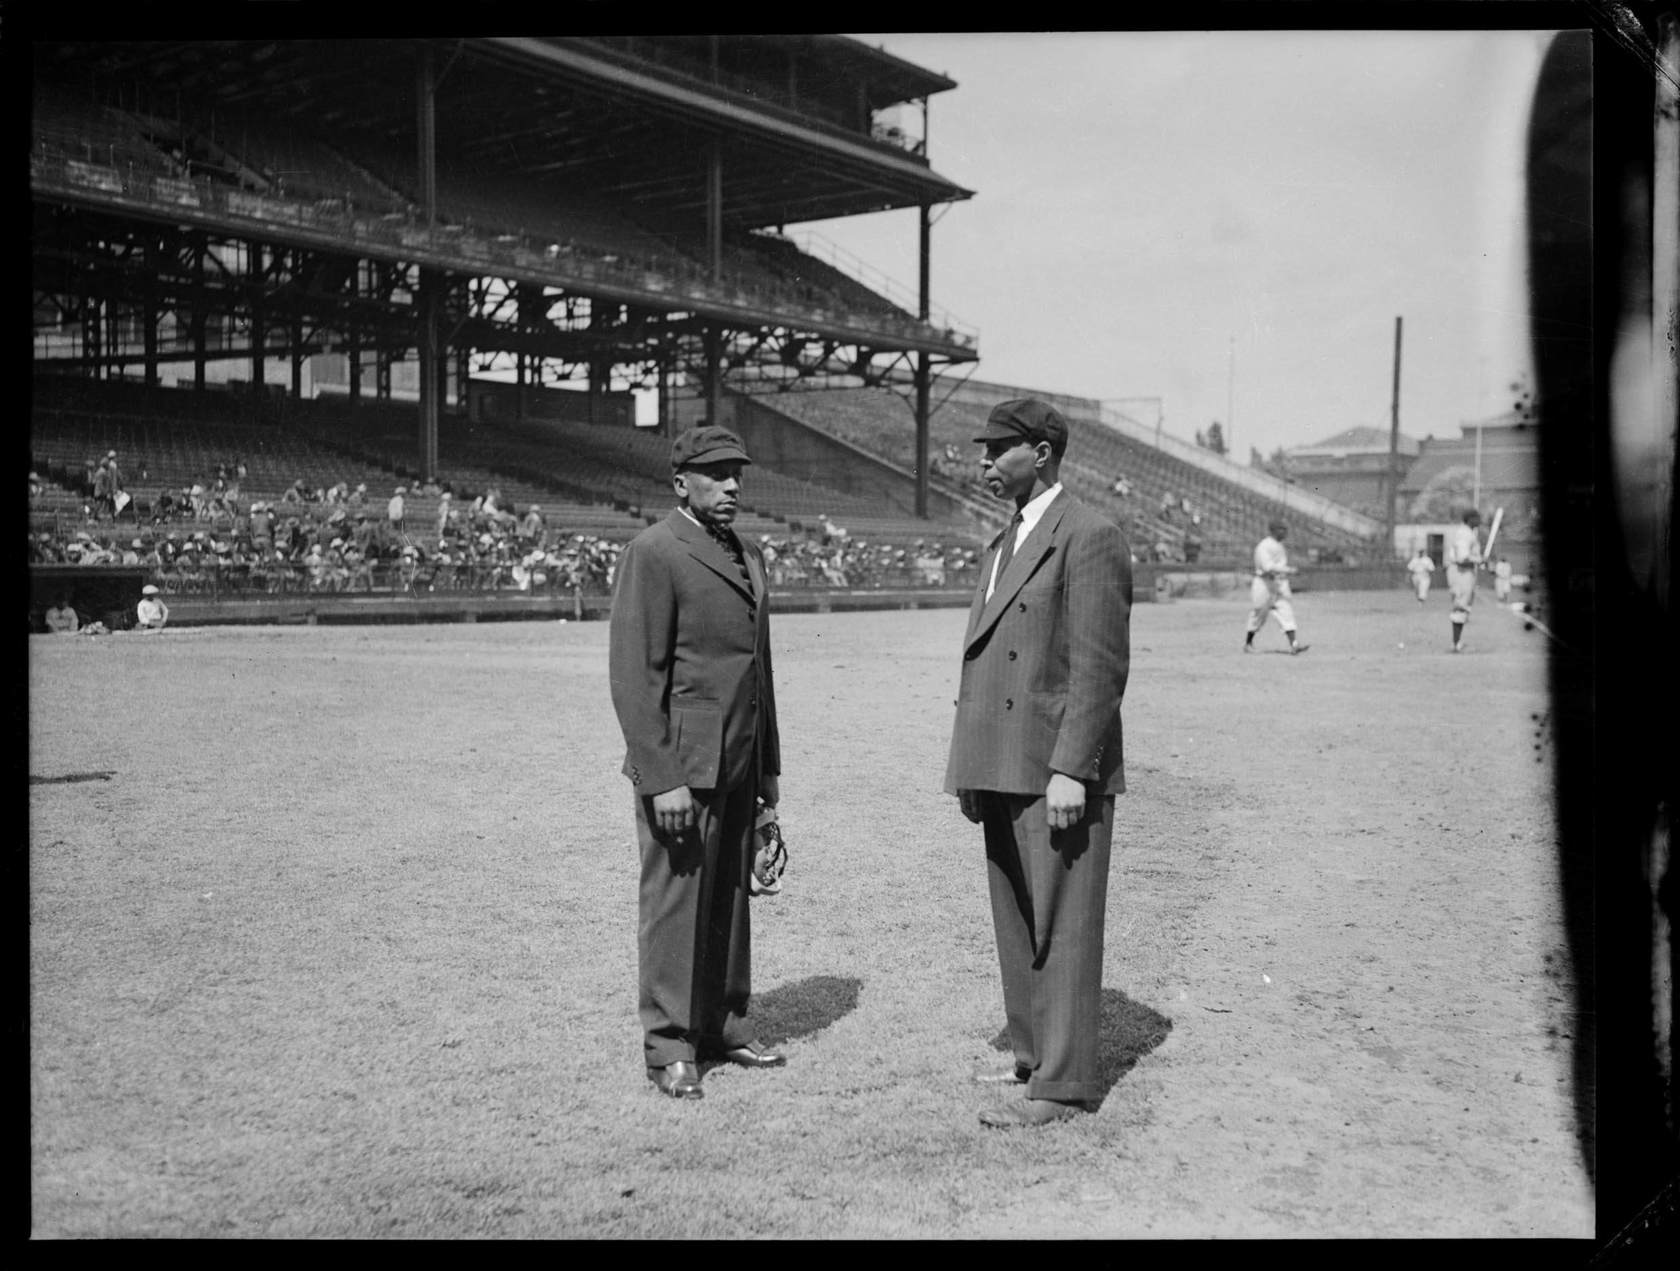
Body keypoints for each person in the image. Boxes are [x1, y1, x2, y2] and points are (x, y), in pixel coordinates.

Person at [945, 398, 1132, 1129]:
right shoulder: (1002, 543)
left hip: (1053, 767)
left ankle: (1061, 1083)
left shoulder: (1090, 533)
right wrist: (970, 765)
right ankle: (1031, 1057)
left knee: (1064, 923)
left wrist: (1072, 769)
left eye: (997, 450)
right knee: (1018, 920)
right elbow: (982, 661)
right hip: (999, 762)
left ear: (1043, 451)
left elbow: (1100, 665)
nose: (984, 463)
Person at [608, 423, 785, 1101]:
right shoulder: (653, 551)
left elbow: (758, 670)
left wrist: (768, 773)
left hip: (740, 760)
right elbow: (634, 676)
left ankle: (722, 1026)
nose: (732, 483)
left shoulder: (747, 552)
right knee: (675, 903)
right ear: (681, 482)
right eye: (715, 472)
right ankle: (670, 1044)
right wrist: (662, 777)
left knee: (730, 903)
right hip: (684, 766)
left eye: (737, 471)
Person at [1243, 520, 1309, 654]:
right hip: (1263, 582)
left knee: (1286, 610)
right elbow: (1267, 567)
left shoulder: (1279, 546)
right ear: (1273, 530)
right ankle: (1248, 643)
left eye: (1285, 529)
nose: (1285, 532)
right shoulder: (1264, 545)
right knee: (1259, 613)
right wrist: (1289, 570)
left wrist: (1285, 572)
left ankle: (1294, 644)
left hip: (1277, 583)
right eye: (1281, 529)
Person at [1444, 508, 1484, 652]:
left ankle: (1457, 642)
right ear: (1470, 518)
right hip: (1461, 572)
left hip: (1464, 572)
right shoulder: (1465, 534)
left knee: (1463, 605)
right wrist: (1479, 559)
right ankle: (1456, 644)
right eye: (1477, 517)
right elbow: (1462, 559)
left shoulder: (1468, 532)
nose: (1480, 520)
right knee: (1460, 605)